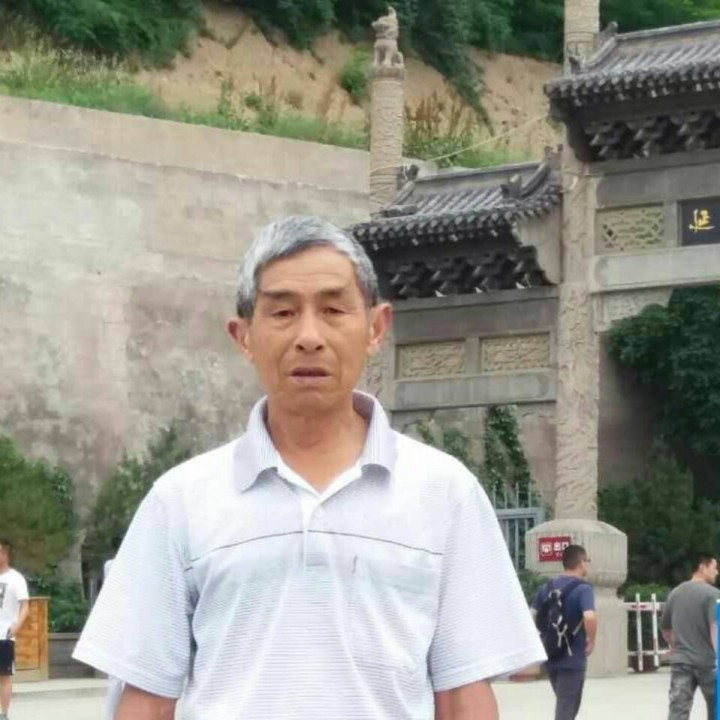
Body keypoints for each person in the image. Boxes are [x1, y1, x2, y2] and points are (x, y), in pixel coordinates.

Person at [73, 216, 546, 720]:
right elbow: (146, 699)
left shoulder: (445, 493)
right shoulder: (181, 500)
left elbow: (463, 697)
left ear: (375, 327)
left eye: (333, 309)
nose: (309, 337)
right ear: (243, 335)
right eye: (282, 312)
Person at [531, 544, 596, 720]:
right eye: (587, 561)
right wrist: (592, 640)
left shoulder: (547, 588)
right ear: (581, 563)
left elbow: (532, 615)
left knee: (566, 705)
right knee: (566, 709)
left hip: (551, 654)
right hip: (573, 658)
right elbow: (589, 616)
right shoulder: (584, 589)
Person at [662, 553, 720, 720]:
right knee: (716, 708)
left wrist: (676, 646)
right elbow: (715, 626)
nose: (717, 572)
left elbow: (666, 629)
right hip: (708, 662)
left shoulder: (675, 593)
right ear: (702, 567)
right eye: (714, 567)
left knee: (678, 710)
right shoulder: (714, 594)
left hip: (681, 661)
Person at [0, 539, 29, 720]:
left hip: (4, 634)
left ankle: (4, 714)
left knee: (4, 675)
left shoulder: (15, 578)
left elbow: (25, 605)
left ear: (4, 555)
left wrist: (17, 626)